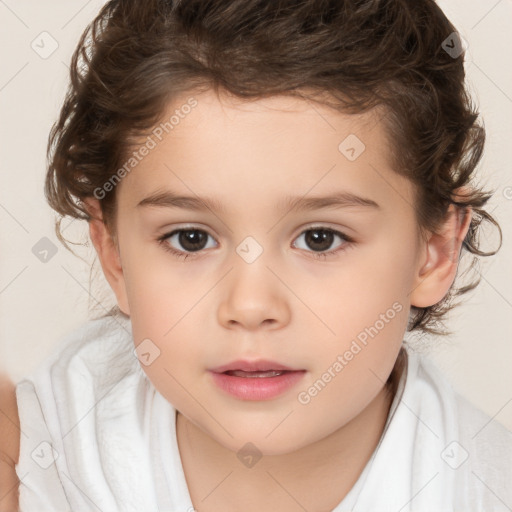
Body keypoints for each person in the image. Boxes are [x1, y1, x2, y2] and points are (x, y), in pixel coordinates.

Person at [6, 0, 512, 510]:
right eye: (190, 239)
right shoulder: (35, 460)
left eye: (320, 238)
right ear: (114, 255)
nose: (250, 306)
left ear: (434, 251)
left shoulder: (482, 488)